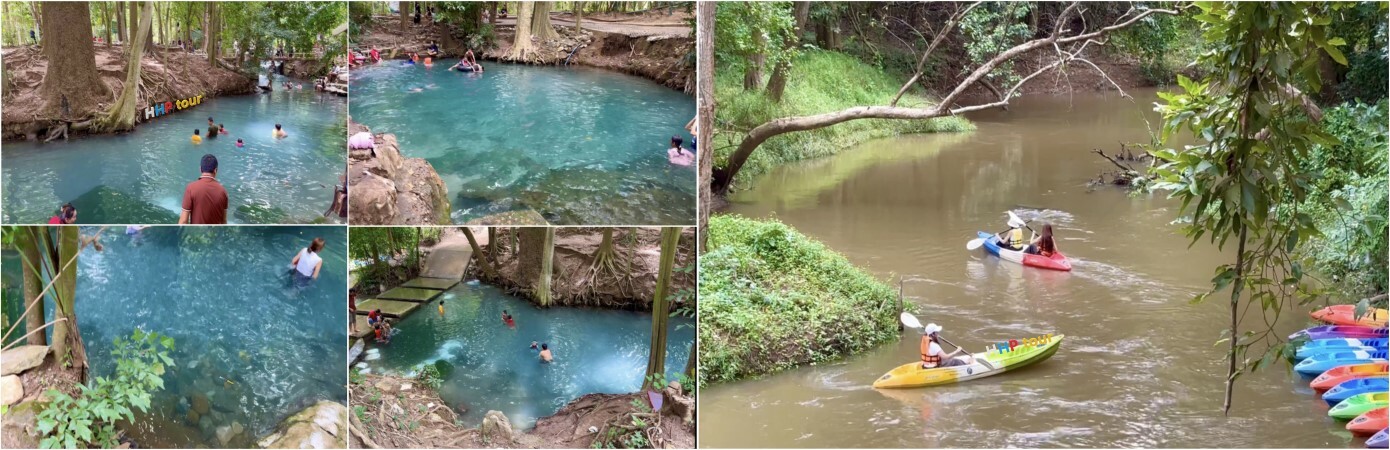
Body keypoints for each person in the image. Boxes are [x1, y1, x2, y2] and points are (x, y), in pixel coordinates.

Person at [179, 154, 229, 224]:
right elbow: (224, 221)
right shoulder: (223, 191)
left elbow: (183, 221)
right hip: (216, 234)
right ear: (215, 170)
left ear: (200, 169)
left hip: (196, 233)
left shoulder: (191, 188)